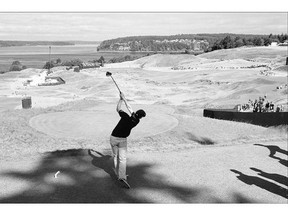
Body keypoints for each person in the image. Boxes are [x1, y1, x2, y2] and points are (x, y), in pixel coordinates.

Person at [110, 92, 146, 188]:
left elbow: (118, 109)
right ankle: (121, 176)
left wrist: (121, 99)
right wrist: (124, 99)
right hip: (122, 140)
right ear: (140, 117)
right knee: (122, 159)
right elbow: (131, 110)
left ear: (135, 114)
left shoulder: (125, 116)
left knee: (114, 156)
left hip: (113, 138)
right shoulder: (136, 121)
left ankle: (118, 174)